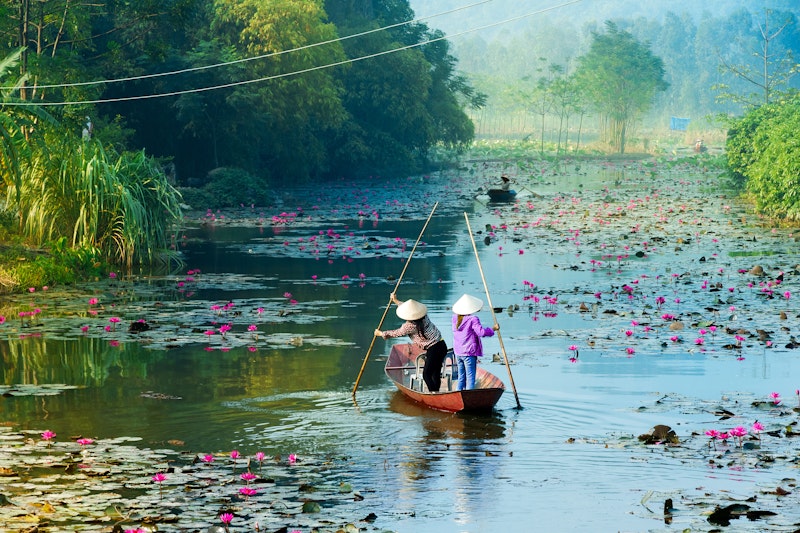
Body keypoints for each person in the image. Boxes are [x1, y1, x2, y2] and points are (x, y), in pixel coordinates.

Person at [375, 293, 448, 392]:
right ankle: (436, 392)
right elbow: (409, 309)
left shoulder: (409, 326)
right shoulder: (424, 316)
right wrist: (396, 301)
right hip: (442, 345)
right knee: (435, 373)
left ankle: (433, 394)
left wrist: (381, 333)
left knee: (426, 374)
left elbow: (396, 333)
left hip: (433, 349)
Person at [451, 294, 498, 390]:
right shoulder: (473, 319)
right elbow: (481, 333)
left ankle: (459, 395)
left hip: (458, 352)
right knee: (471, 378)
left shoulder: (455, 318)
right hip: (468, 353)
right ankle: (469, 398)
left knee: (461, 377)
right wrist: (493, 329)